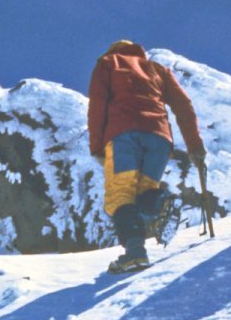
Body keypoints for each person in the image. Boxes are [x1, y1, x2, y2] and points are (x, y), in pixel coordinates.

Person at [87, 40, 206, 273]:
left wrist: (97, 148)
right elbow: (184, 105)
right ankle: (159, 200)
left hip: (124, 137)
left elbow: (97, 106)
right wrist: (195, 146)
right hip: (159, 139)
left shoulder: (108, 63)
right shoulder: (158, 69)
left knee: (120, 196)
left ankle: (135, 253)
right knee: (143, 192)